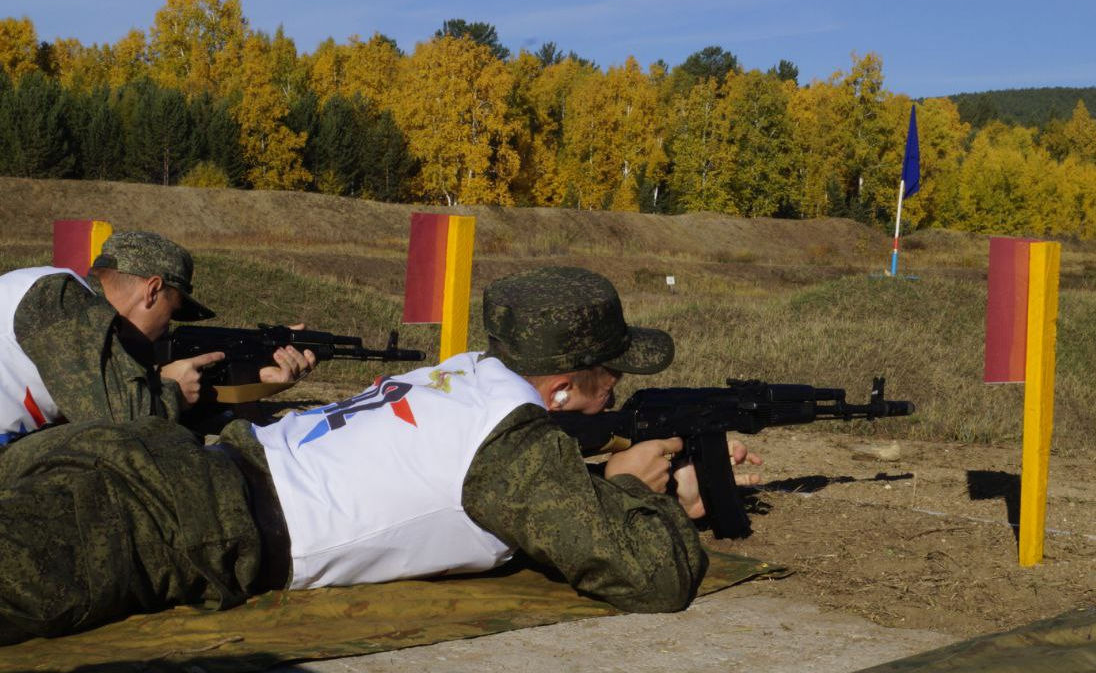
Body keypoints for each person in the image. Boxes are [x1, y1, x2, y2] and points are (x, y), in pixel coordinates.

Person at [0, 266, 761, 645]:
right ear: (562, 385)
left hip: (146, 462)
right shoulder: (512, 449)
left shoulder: (459, 373)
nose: (616, 389)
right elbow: (653, 577)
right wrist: (634, 491)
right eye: (610, 376)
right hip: (171, 519)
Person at [0, 230, 316, 443]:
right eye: (171, 312)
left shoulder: (79, 314)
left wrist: (254, 378)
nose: (167, 328)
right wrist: (172, 390)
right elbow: (120, 425)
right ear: (152, 291)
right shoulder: (59, 298)